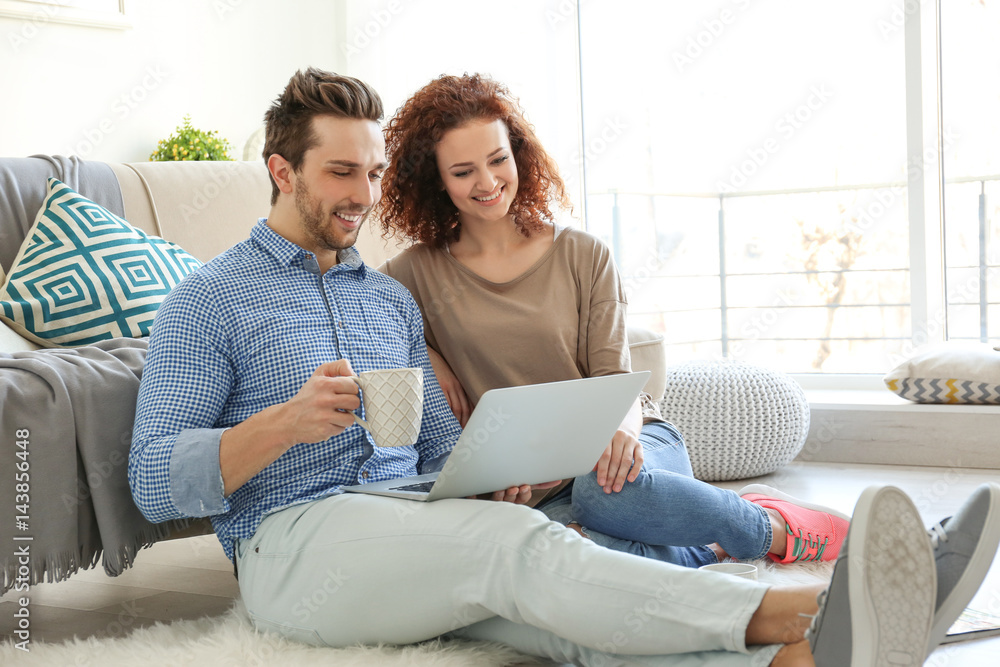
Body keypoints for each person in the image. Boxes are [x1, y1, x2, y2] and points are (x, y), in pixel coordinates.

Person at [127, 67, 994, 667]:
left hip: (407, 520)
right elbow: (152, 485)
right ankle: (810, 605)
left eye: (374, 171)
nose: (362, 192)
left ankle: (805, 656)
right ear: (282, 171)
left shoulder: (387, 301)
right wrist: (281, 423)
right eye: (340, 172)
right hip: (292, 544)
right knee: (519, 547)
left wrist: (491, 469)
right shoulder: (209, 301)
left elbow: (439, 449)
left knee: (569, 612)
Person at [378, 73, 842, 569]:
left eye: (498, 160)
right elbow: (354, 306)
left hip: (626, 440)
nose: (488, 183)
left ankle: (769, 527)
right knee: (556, 558)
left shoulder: (582, 253)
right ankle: (703, 548)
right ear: (436, 179)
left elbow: (615, 379)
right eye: (464, 171)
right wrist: (427, 354)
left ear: (518, 155)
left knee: (602, 497)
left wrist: (619, 432)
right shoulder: (414, 273)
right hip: (532, 484)